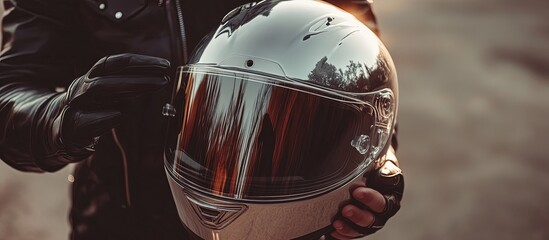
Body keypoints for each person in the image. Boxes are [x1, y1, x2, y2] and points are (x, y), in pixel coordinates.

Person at [0, 0, 403, 239]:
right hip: (123, 220)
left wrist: (376, 171)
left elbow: (363, 71)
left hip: (284, 218)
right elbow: (12, 88)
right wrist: (59, 120)